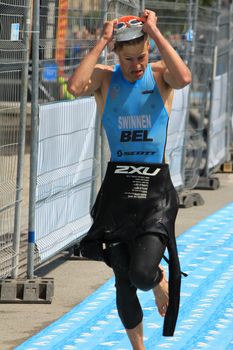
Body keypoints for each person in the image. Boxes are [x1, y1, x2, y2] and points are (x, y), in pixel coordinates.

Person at [68, 9, 191, 350]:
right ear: (116, 56)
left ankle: (158, 279)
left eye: (141, 57)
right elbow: (75, 86)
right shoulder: (107, 80)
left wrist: (154, 30)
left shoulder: (160, 75)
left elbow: (185, 77)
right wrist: (102, 41)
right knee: (123, 275)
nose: (136, 65)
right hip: (118, 189)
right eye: (128, 59)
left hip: (155, 189)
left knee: (141, 273)